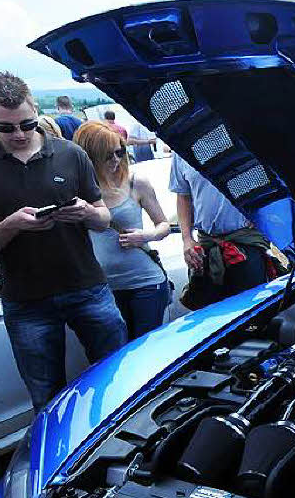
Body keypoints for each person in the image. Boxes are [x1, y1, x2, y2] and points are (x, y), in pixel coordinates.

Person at [0, 73, 126, 411]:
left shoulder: (71, 154)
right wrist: (10, 226)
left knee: (116, 380)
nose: (19, 134)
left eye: (26, 123)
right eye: (5, 128)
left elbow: (104, 220)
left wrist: (86, 212)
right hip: (26, 302)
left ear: (36, 110)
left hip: (87, 288)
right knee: (46, 398)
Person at [75, 121, 172, 339]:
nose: (116, 160)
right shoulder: (78, 191)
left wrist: (146, 236)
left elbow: (163, 225)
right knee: (115, 355)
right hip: (102, 289)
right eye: (108, 155)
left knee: (145, 352)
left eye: (120, 152)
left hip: (145, 282)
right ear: (91, 156)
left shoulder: (136, 182)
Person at [170, 153, 275, 309]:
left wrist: (263, 214)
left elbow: (272, 182)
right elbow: (183, 196)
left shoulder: (239, 140)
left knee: (253, 311)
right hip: (206, 246)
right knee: (209, 314)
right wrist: (187, 239)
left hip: (245, 243)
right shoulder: (181, 150)